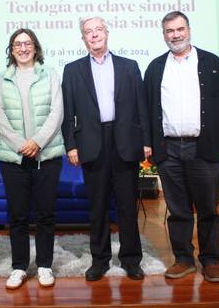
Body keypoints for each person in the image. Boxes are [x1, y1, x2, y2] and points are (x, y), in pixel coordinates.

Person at [144, 11, 219, 283]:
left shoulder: (212, 63)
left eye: (180, 29)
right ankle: (183, 259)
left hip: (203, 147)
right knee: (178, 209)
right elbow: (148, 110)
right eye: (169, 31)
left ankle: (210, 261)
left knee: (208, 209)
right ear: (164, 35)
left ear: (189, 30)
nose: (175, 35)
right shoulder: (155, 68)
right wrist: (148, 144)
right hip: (169, 149)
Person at [61, 16, 151, 282]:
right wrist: (71, 145)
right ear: (83, 39)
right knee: (97, 207)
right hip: (91, 142)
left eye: (98, 30)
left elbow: (141, 107)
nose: (94, 35)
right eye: (88, 32)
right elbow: (68, 112)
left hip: (124, 141)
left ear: (107, 33)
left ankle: (131, 259)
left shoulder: (129, 66)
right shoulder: (73, 70)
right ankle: (99, 260)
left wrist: (146, 141)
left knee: (126, 205)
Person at [0, 28, 65, 289]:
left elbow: (57, 113)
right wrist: (21, 145)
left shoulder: (51, 75)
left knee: (46, 214)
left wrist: (37, 142)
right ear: (11, 50)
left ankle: (45, 265)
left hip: (47, 156)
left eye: (27, 43)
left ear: (35, 47)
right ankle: (19, 267)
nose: (23, 48)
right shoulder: (2, 79)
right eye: (17, 44)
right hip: (14, 159)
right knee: (18, 216)